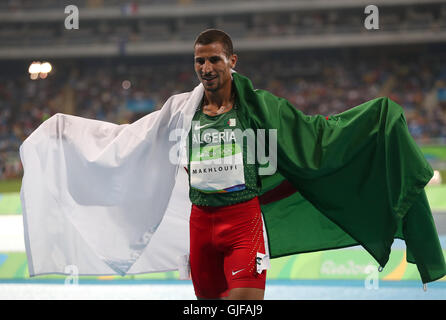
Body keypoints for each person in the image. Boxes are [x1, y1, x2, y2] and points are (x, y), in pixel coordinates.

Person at [188, 29, 267, 300]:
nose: (206, 68)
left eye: (214, 60)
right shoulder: (183, 113)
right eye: (200, 61)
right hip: (200, 225)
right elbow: (138, 138)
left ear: (232, 60)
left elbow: (301, 133)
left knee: (245, 303)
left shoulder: (256, 108)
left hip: (244, 223)